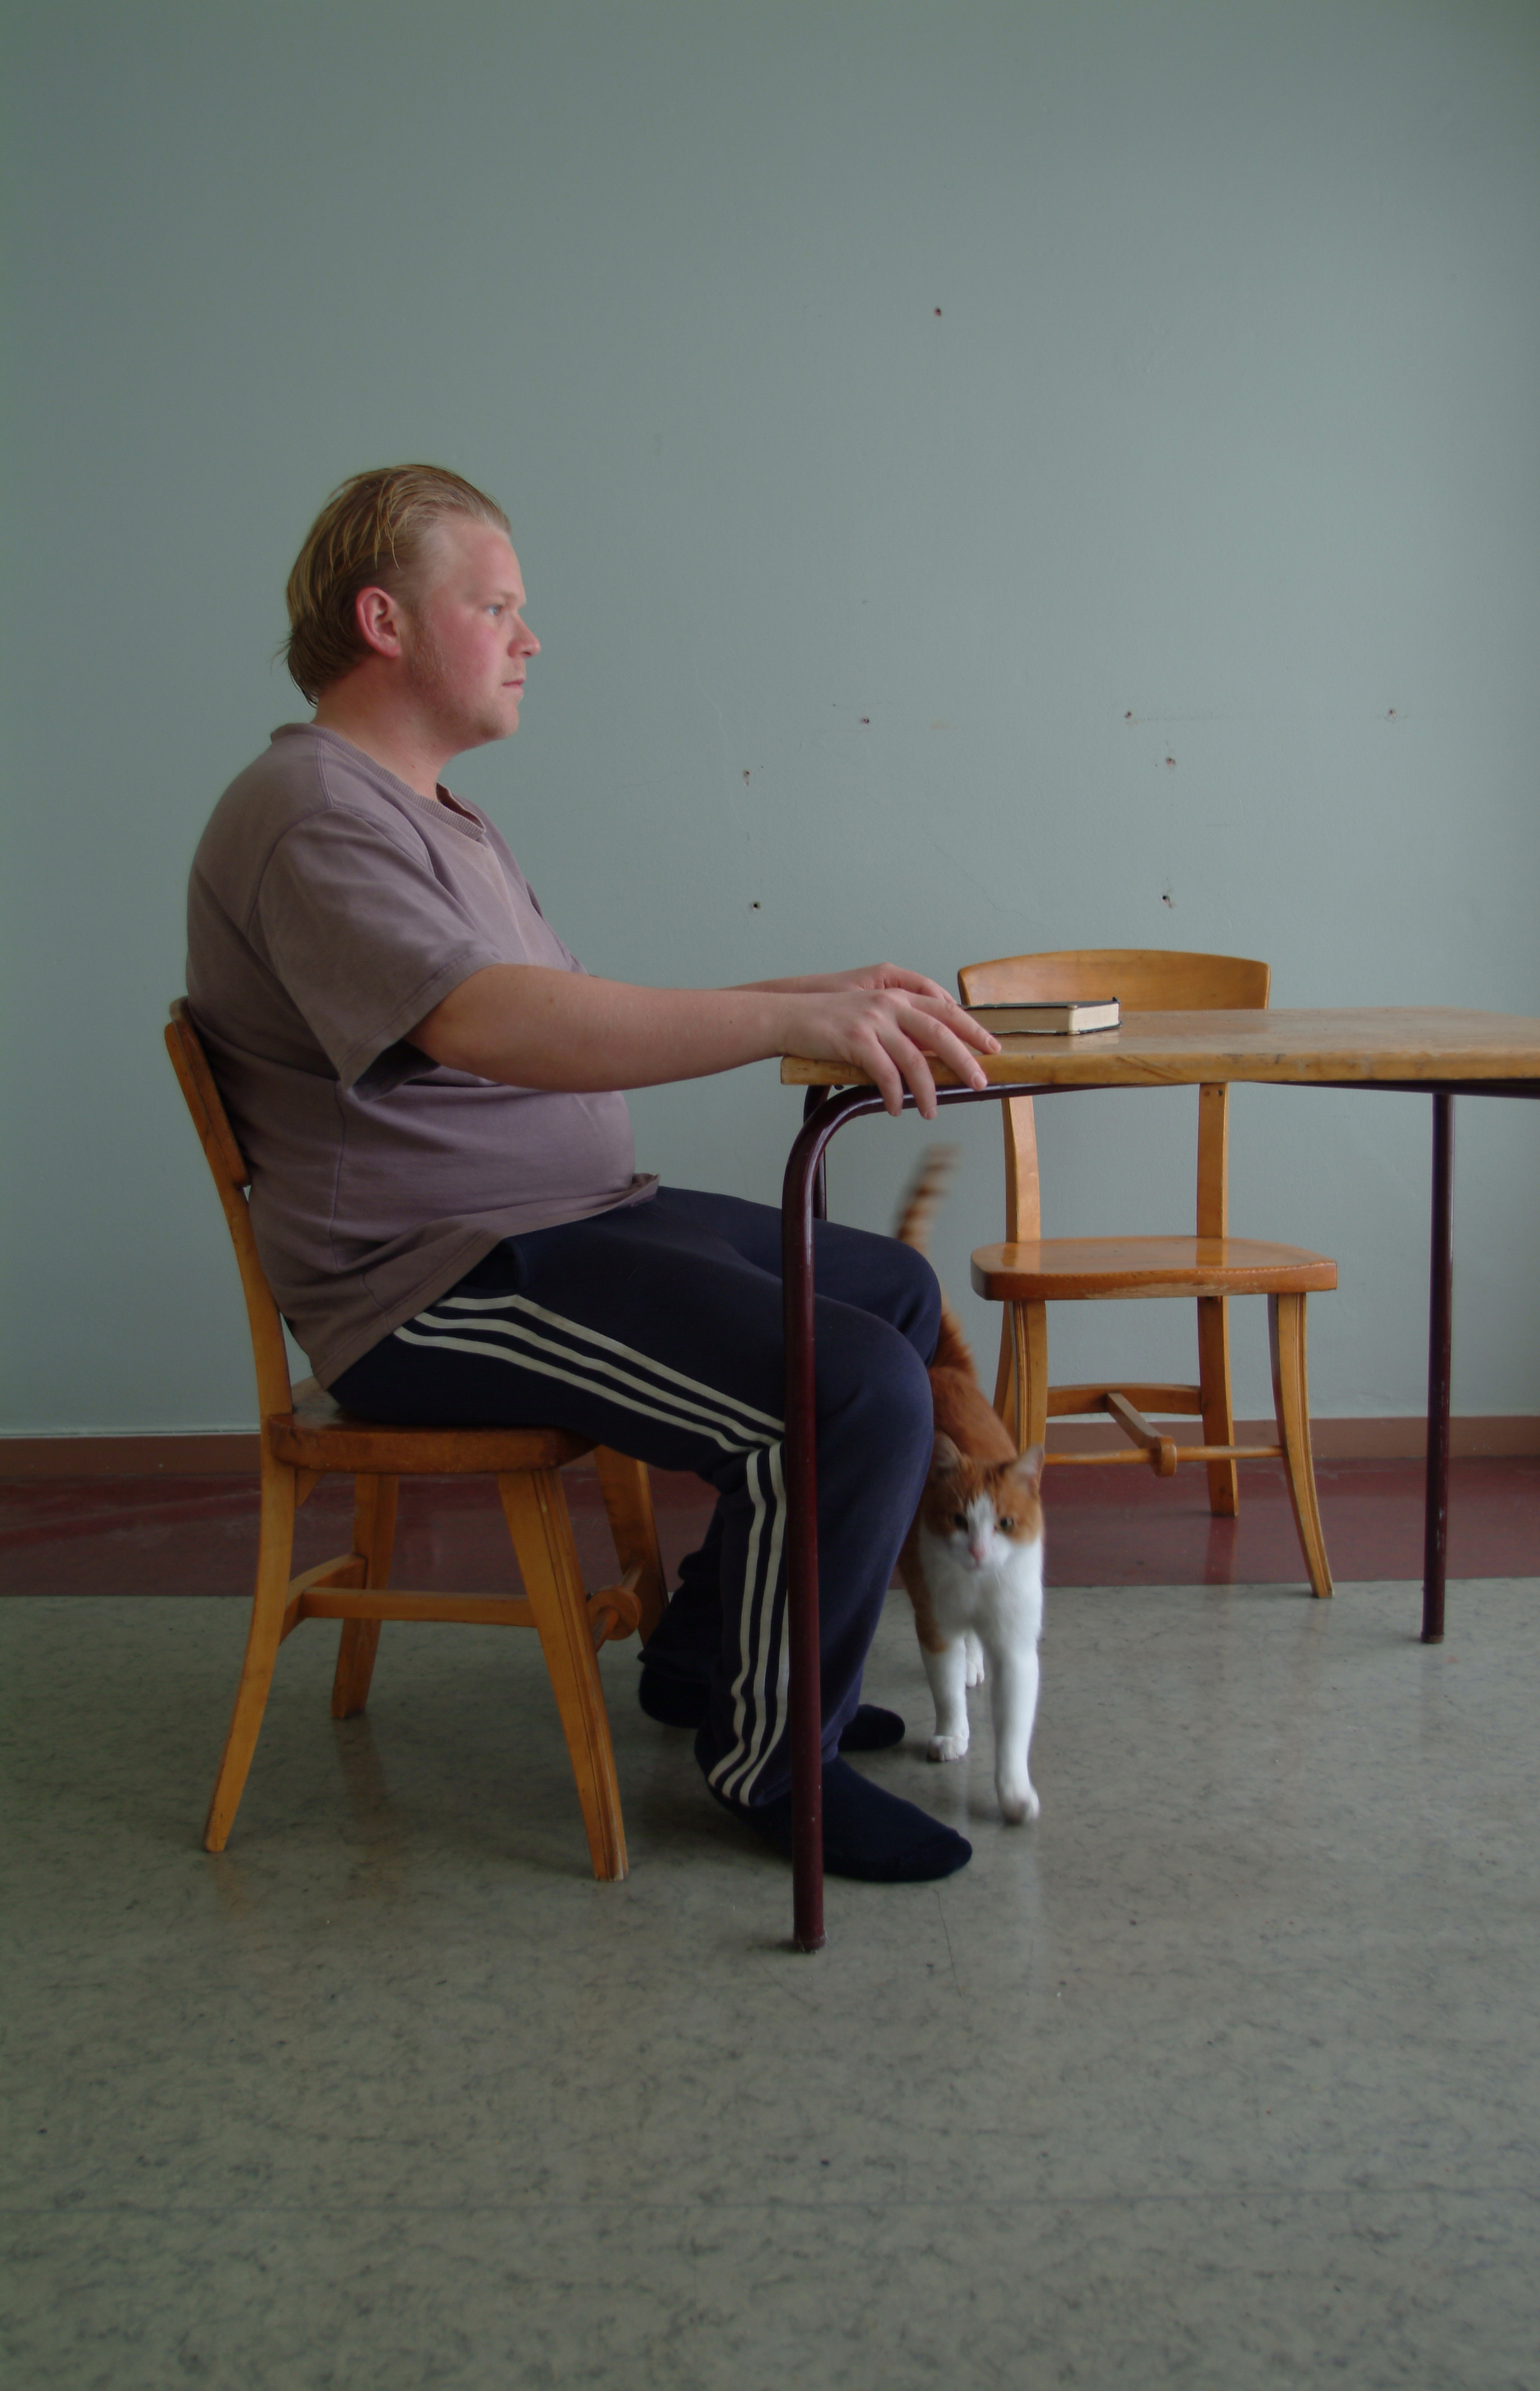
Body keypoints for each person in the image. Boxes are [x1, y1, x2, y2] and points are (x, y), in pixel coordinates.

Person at [187, 465, 1000, 1883]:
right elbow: (487, 1022)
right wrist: (787, 1024)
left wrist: (813, 993)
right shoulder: (310, 810)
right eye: (495, 605)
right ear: (384, 621)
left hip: (559, 1224)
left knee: (891, 1291)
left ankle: (707, 1657)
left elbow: (566, 1011)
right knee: (853, 1385)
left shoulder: (438, 817)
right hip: (437, 1283)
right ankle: (771, 1761)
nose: (529, 636)